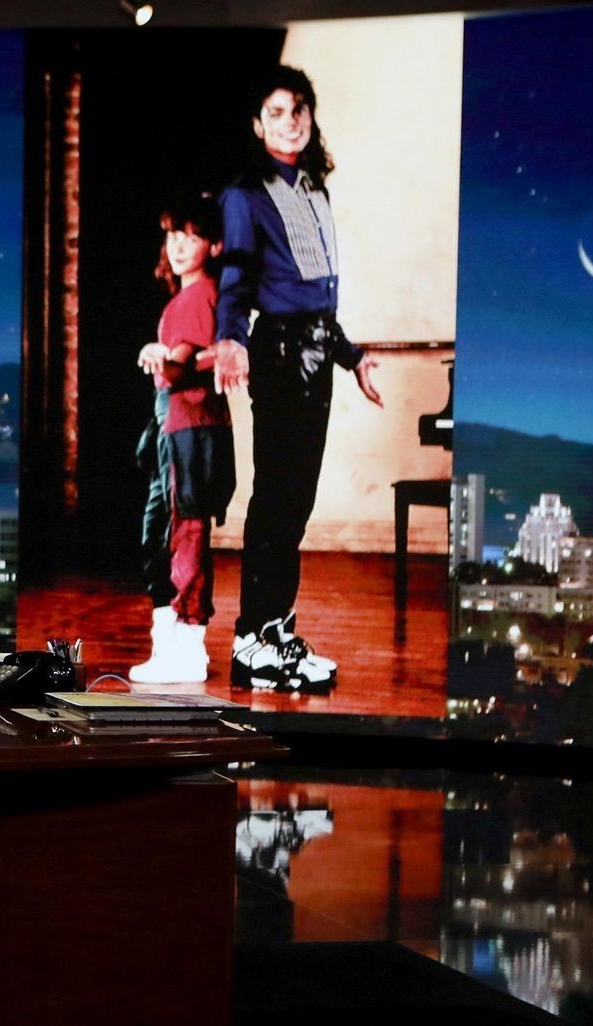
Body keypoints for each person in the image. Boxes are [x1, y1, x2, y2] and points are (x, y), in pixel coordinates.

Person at [211, 65, 382, 693]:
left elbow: (317, 303)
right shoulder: (244, 195)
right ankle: (253, 642)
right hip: (279, 356)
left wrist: (353, 357)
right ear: (258, 126)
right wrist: (230, 338)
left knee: (296, 506)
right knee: (277, 501)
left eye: (300, 110)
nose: (291, 122)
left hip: (315, 355)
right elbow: (235, 277)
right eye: (277, 113)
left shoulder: (315, 191)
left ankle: (278, 633)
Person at [130, 192, 236, 685]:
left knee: (182, 532)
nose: (176, 246)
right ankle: (173, 645)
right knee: (171, 531)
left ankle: (187, 649)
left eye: (190, 237)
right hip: (185, 426)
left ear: (214, 246)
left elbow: (180, 368)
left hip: (187, 425)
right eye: (173, 235)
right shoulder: (198, 296)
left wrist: (159, 355)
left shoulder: (196, 296)